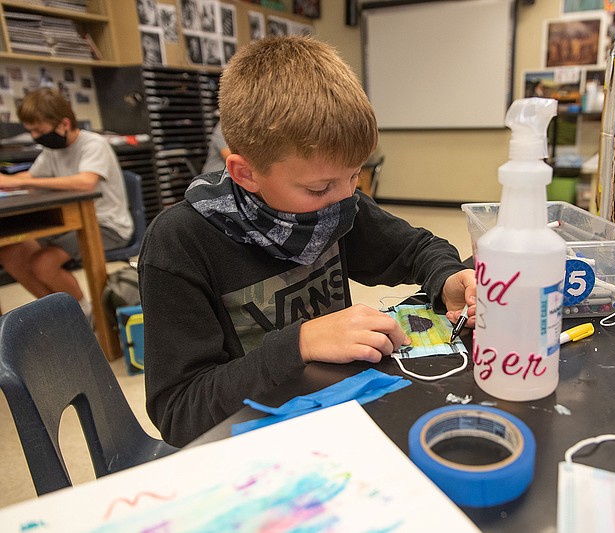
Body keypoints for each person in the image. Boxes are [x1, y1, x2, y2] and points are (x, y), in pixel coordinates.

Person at [138, 36, 477, 447]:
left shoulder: (338, 203)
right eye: (319, 188)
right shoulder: (180, 244)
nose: (346, 197)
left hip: (334, 415)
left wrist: (448, 277)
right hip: (250, 442)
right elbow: (180, 413)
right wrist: (301, 343)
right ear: (246, 174)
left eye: (354, 176)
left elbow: (416, 249)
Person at [0, 88, 133, 318]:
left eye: (39, 131)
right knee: (11, 252)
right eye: (30, 131)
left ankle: (85, 316)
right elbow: (32, 177)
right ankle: (60, 314)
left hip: (107, 225)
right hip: (70, 223)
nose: (35, 136)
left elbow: (85, 182)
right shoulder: (52, 150)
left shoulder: (94, 144)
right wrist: (8, 181)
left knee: (43, 264)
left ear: (64, 124)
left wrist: (22, 182)